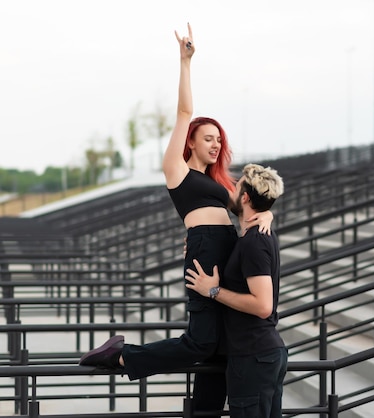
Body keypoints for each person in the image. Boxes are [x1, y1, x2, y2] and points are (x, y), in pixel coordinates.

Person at [78, 23, 272, 416]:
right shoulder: (177, 171)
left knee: (222, 342)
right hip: (204, 251)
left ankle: (205, 409)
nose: (215, 143)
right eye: (207, 137)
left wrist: (266, 212)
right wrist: (185, 61)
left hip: (229, 252)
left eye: (219, 138)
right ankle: (122, 355)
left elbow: (249, 204)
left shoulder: (221, 183)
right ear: (190, 142)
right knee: (202, 342)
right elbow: (185, 110)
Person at [185, 163, 287, 418]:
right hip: (259, 354)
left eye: (236, 186)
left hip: (254, 355)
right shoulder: (257, 235)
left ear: (244, 197)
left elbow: (263, 306)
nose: (230, 192)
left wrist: (214, 291)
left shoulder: (254, 241)